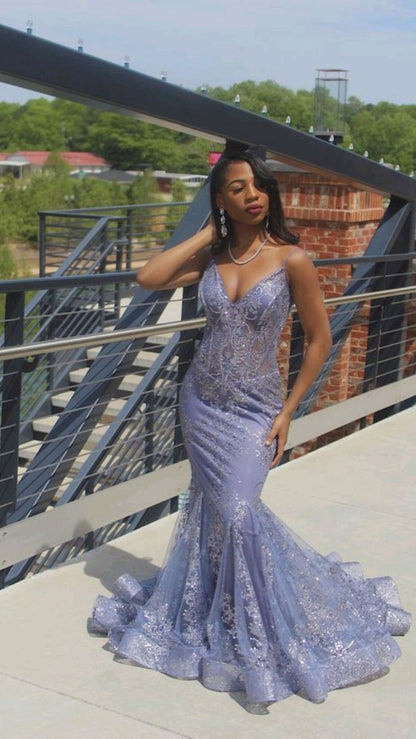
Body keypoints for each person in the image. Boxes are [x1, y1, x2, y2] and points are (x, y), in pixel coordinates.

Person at [90, 148, 411, 712]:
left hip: (255, 410)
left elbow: (319, 339)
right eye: (236, 188)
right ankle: (219, 601)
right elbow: (148, 276)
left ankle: (262, 629)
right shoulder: (212, 260)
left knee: (238, 514)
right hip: (201, 404)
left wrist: (289, 411)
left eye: (258, 185)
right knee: (217, 514)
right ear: (222, 199)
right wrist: (205, 234)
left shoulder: (292, 259)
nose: (252, 195)